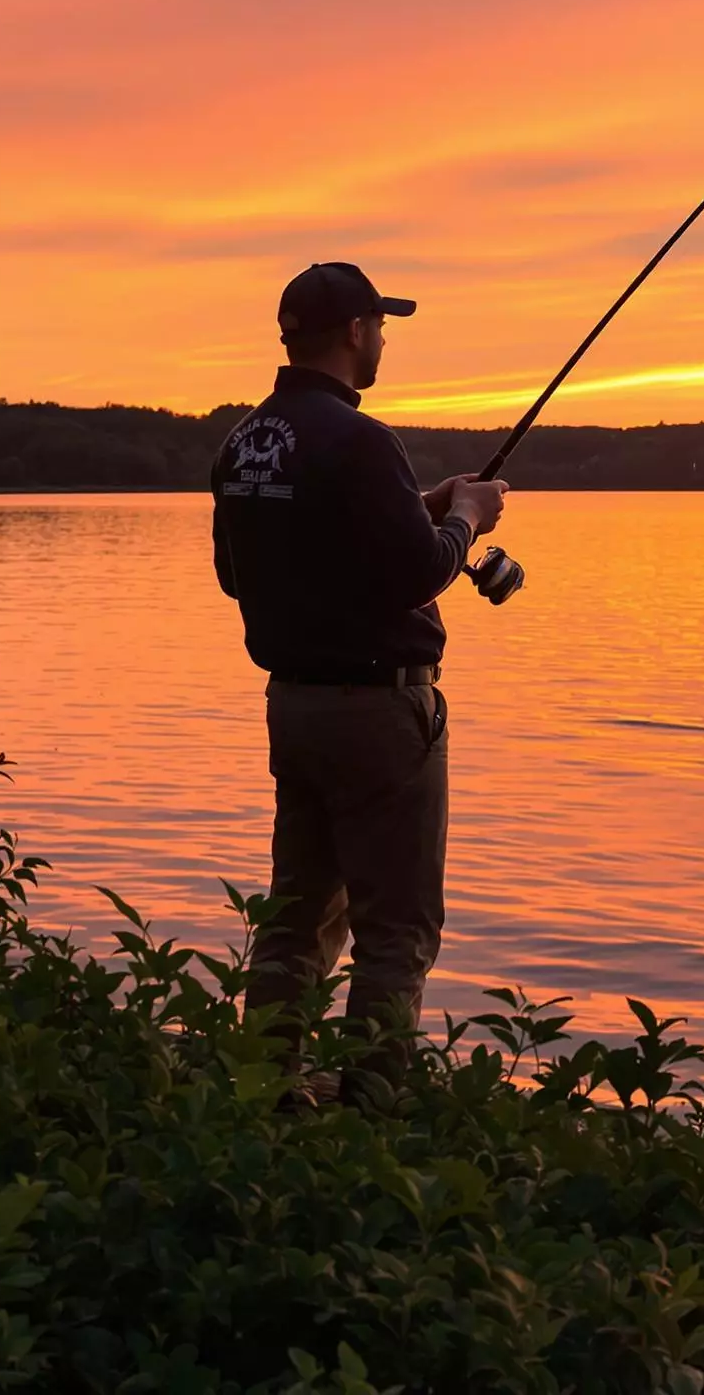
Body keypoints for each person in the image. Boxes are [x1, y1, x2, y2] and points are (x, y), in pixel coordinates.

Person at [210, 260, 507, 1080]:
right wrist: (466, 518)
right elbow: (418, 574)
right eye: (379, 326)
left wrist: (422, 506)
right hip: (380, 715)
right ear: (353, 331)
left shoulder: (244, 442)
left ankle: (266, 1090)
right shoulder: (364, 440)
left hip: (294, 709)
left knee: (296, 916)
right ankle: (373, 1107)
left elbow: (242, 574)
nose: (381, 342)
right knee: (395, 930)